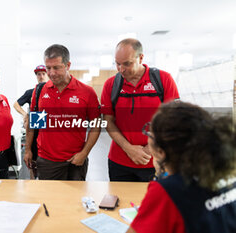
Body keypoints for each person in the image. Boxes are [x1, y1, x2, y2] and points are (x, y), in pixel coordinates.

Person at [126, 101, 236, 233]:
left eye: (150, 133)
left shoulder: (167, 190)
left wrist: (160, 171)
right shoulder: (227, 171)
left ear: (161, 151)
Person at [101, 38, 179, 182]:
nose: (121, 69)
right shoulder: (111, 84)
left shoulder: (163, 79)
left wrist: (149, 149)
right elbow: (108, 121)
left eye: (127, 64)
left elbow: (172, 120)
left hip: (155, 161)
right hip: (119, 162)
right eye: (117, 63)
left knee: (153, 203)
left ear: (141, 58)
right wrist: (128, 148)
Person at [24, 44, 101, 180]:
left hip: (75, 160)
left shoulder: (86, 92)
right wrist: (28, 149)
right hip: (47, 161)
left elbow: (96, 125)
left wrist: (84, 153)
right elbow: (35, 123)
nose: (52, 73)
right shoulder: (40, 90)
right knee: (48, 200)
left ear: (68, 65)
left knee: (75, 200)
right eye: (48, 68)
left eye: (57, 68)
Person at [13, 65, 48, 179]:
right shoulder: (31, 92)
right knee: (33, 162)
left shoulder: (53, 91)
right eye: (39, 74)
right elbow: (16, 104)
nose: (41, 76)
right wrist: (25, 115)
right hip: (35, 128)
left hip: (49, 130)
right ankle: (33, 183)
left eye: (43, 73)